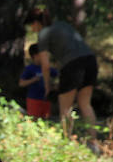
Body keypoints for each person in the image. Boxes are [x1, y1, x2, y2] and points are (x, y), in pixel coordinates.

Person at [26, 8, 97, 141]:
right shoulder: (62, 25)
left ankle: (67, 141)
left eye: (31, 25)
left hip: (72, 65)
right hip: (90, 61)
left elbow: (45, 65)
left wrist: (47, 86)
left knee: (65, 107)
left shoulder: (43, 34)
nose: (32, 29)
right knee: (85, 104)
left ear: (36, 22)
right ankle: (94, 142)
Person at [18, 43, 56, 119]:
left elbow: (56, 75)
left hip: (46, 99)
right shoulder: (30, 69)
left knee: (46, 120)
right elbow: (21, 83)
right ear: (35, 56)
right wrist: (33, 80)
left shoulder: (48, 68)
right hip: (34, 99)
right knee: (34, 119)